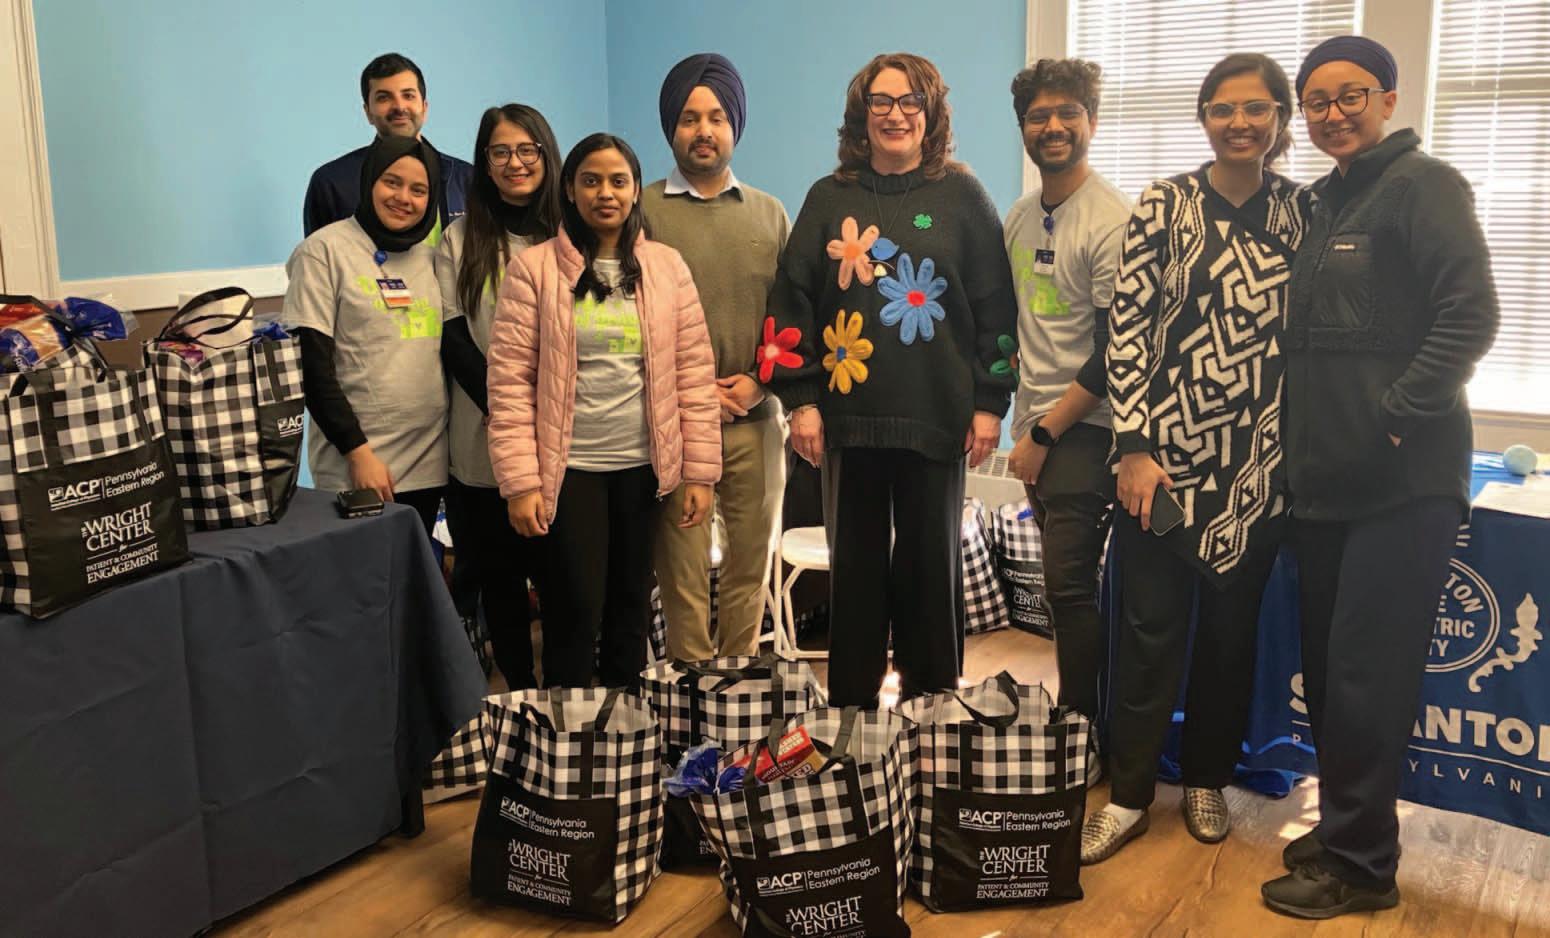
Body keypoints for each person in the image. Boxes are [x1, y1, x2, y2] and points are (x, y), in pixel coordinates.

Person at [1261, 36, 1498, 919]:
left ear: (1389, 99)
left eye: (1350, 95)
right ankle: (1343, 831)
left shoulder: (1423, 187)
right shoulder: (1325, 202)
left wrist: (1396, 414)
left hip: (1403, 485)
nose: (1333, 114)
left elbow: (1471, 314)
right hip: (1325, 484)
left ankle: (1363, 869)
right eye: (1317, 101)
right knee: (1330, 678)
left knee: (1368, 677)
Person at [1083, 53, 1311, 864]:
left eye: (1256, 109)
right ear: (1204, 117)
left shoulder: (1303, 214)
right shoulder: (1166, 205)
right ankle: (1130, 796)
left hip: (1258, 476)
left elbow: (1314, 345)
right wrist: (1134, 447)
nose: (1239, 123)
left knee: (1228, 640)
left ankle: (1210, 778)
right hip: (1161, 472)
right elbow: (1127, 334)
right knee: (1147, 636)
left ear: (1279, 118)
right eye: (1223, 108)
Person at [762, 53, 1018, 707]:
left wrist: (991, 404)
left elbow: (995, 306)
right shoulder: (829, 198)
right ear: (862, 114)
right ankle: (852, 715)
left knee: (930, 571)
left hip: (939, 417)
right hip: (847, 421)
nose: (895, 114)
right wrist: (801, 402)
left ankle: (931, 710)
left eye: (910, 102)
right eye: (881, 101)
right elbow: (791, 300)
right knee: (855, 575)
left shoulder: (962, 198)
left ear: (930, 115)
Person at [486, 134, 721, 690]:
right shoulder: (534, 270)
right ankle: (569, 734)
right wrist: (521, 483)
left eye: (618, 181)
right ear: (569, 189)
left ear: (636, 189)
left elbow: (692, 372)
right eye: (590, 181)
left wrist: (700, 473)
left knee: (631, 610)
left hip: (644, 470)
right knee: (575, 611)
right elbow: (510, 384)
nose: (605, 193)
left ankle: (624, 729)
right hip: (570, 472)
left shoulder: (666, 267)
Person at [642, 53, 791, 662]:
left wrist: (760, 383)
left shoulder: (769, 213)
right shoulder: (642, 212)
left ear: (735, 126)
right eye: (689, 118)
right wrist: (690, 391)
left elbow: (794, 317)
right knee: (680, 577)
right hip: (676, 426)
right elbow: (630, 319)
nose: (703, 130)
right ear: (670, 128)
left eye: (716, 117)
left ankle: (738, 689)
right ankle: (689, 694)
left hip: (756, 420)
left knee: (749, 570)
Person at [1003, 58, 1130, 743]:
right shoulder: (1021, 216)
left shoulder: (1112, 221)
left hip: (1086, 429)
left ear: (1093, 122)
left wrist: (1043, 435)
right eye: (1038, 116)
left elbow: (1114, 355)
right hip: (1037, 422)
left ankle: (1083, 733)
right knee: (1066, 592)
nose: (1052, 126)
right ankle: (1082, 719)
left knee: (1070, 589)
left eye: (1067, 113)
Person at [433, 104, 562, 691]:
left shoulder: (569, 234)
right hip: (481, 445)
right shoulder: (460, 239)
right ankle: (522, 700)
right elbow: (453, 336)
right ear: (484, 162)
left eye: (527, 149)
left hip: (562, 443)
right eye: (500, 151)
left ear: (546, 155)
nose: (515, 162)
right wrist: (509, 408)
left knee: (561, 582)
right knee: (501, 586)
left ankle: (566, 700)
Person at [285, 135, 449, 535]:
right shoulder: (323, 251)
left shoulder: (433, 257)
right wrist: (357, 453)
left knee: (416, 570)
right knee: (365, 572)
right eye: (392, 182)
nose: (403, 198)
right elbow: (312, 368)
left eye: (419, 190)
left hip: (431, 459)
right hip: (359, 463)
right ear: (369, 180)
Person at [303, 52, 473, 240]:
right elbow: (319, 253)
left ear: (424, 107)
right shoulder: (332, 184)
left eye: (408, 95)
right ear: (368, 112)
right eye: (384, 98)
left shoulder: (467, 179)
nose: (399, 107)